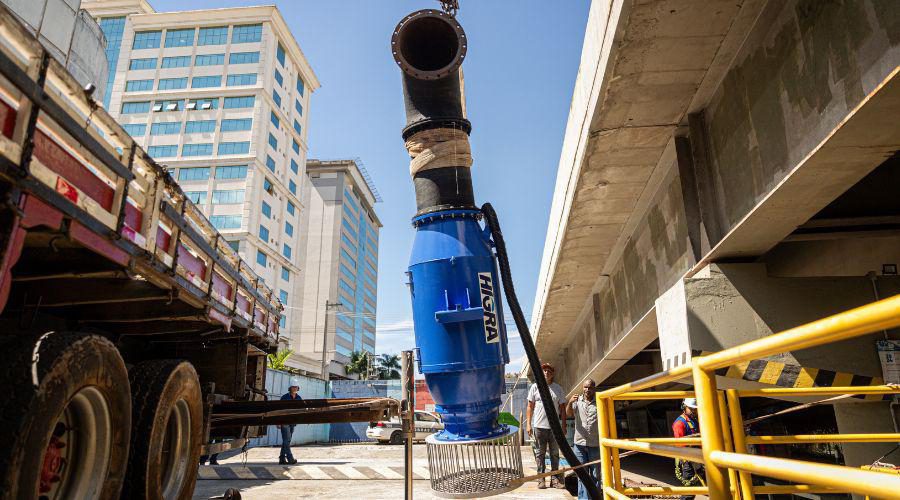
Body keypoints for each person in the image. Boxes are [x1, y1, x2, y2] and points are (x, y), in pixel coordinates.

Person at [526, 362, 567, 489]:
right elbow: (530, 406)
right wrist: (528, 424)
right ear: (541, 372)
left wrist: (564, 425)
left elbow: (562, 408)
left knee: (555, 454)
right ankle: (541, 479)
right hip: (539, 427)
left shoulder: (558, 388)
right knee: (540, 454)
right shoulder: (534, 387)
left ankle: (554, 480)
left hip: (554, 428)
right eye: (544, 370)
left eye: (549, 370)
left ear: (552, 373)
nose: (546, 372)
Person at [567, 378, 599, 499]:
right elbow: (569, 414)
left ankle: (595, 497)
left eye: (590, 387)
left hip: (594, 444)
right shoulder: (577, 401)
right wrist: (570, 403)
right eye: (585, 387)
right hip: (579, 444)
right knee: (582, 474)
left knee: (596, 475)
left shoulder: (599, 401)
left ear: (594, 388)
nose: (587, 390)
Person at [672, 398, 704, 500]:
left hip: (697, 456)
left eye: (695, 409)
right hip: (688, 460)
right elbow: (680, 444)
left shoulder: (693, 420)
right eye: (691, 409)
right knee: (689, 492)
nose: (694, 411)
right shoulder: (679, 423)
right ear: (684, 407)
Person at [279, 384, 303, 465]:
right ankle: (290, 458)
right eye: (293, 387)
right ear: (290, 388)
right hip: (284, 421)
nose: (295, 388)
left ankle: (282, 458)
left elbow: (301, 409)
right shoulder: (284, 397)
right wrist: (278, 422)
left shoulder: (299, 398)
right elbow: (279, 409)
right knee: (286, 440)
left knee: (287, 440)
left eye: (296, 387)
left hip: (293, 422)